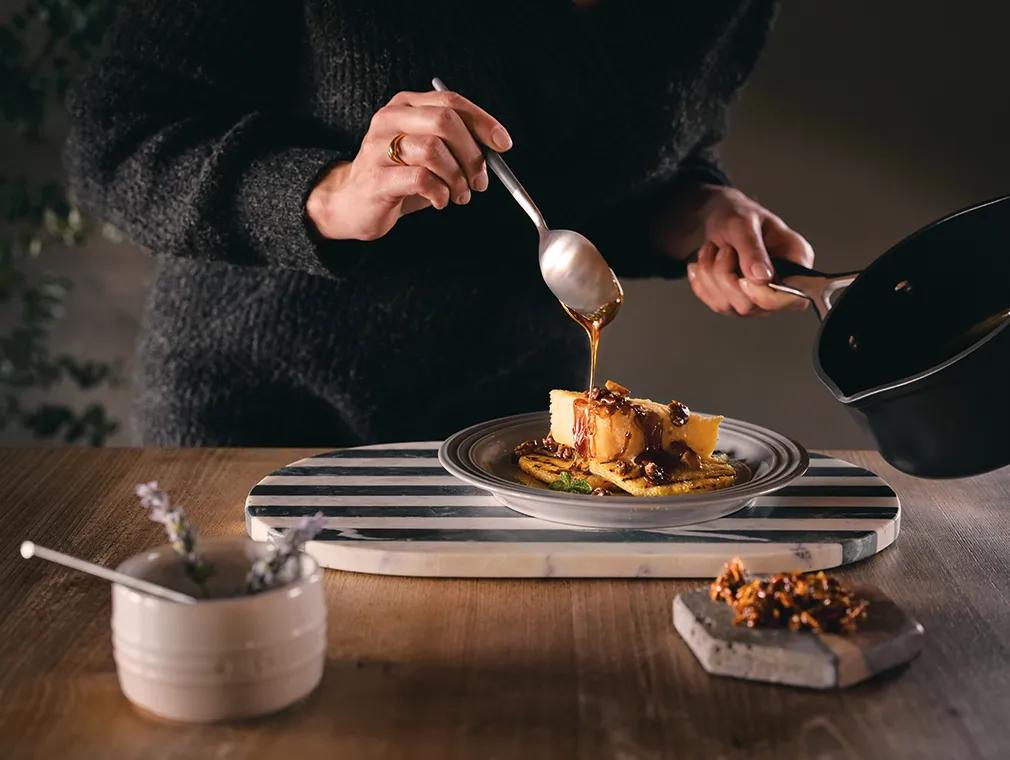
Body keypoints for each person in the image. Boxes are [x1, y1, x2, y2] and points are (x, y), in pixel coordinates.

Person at [66, 0, 814, 447]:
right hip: (254, 417)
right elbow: (114, 138)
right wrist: (330, 193)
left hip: (512, 435)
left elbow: (631, 157)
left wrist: (698, 209)